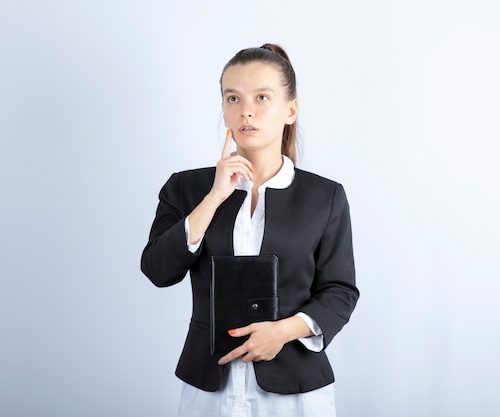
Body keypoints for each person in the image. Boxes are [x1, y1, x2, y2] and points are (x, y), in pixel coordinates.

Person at [141, 43, 359, 417]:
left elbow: (339, 291)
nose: (246, 110)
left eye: (262, 97)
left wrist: (285, 330)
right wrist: (214, 197)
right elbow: (158, 270)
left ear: (290, 110)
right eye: (233, 98)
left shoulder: (325, 197)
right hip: (210, 385)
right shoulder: (186, 188)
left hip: (293, 391)